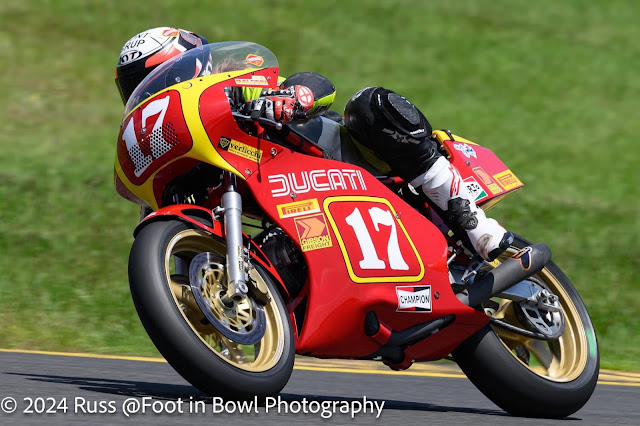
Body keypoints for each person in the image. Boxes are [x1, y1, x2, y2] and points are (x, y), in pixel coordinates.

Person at [115, 28, 512, 261]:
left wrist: (292, 97)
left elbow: (317, 83)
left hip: (350, 164)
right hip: (307, 224)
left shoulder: (237, 88)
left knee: (368, 104)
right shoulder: (179, 168)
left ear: (193, 62)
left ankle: (470, 221)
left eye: (154, 78)